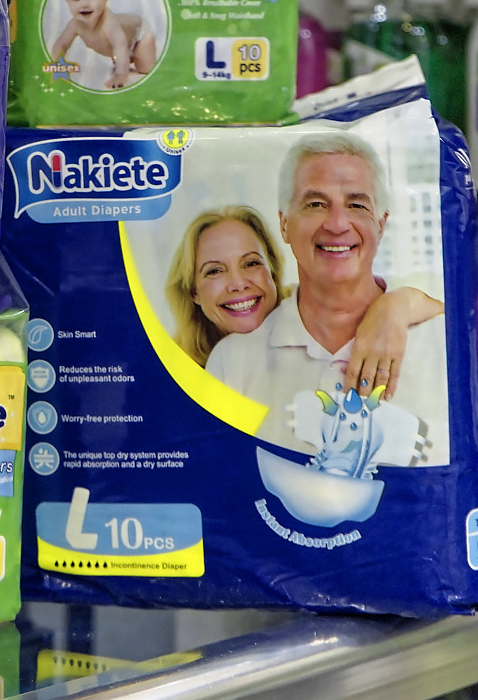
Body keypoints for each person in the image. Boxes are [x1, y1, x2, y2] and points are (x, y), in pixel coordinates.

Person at [204, 133, 451, 464]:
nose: (337, 224)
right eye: (315, 204)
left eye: (356, 205)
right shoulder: (232, 362)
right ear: (284, 224)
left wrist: (402, 305)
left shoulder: (441, 341)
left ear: (381, 225)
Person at [167, 205, 439, 399]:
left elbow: (444, 312)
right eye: (214, 271)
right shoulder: (182, 376)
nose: (238, 283)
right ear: (193, 292)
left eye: (251, 263)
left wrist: (395, 306)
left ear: (272, 272)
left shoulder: (315, 319)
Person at [50, 0, 157, 89]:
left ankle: (136, 55)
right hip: (120, 49)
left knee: (145, 69)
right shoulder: (75, 25)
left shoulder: (109, 23)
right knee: (120, 58)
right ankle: (129, 58)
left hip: (139, 35)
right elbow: (61, 44)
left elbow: (120, 45)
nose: (84, 4)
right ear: (67, 0)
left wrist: (120, 75)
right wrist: (58, 65)